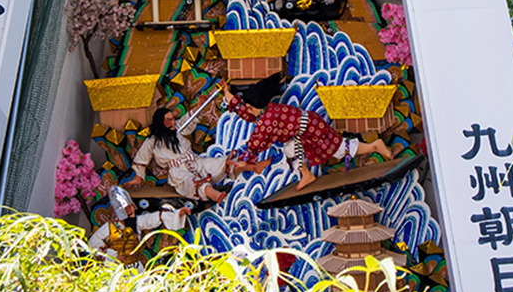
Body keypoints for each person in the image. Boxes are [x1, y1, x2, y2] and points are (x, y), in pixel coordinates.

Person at [224, 75, 393, 190]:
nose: (245, 109)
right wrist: (226, 92)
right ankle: (306, 174)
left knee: (337, 149)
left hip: (310, 130)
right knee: (295, 149)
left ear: (254, 107)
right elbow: (244, 111)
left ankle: (374, 146)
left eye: (248, 107)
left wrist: (245, 159)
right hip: (306, 129)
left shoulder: (268, 119)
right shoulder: (264, 111)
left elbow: (257, 141)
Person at [128, 106, 268, 203]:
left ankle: (251, 167)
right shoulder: (152, 141)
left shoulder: (178, 130)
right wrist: (138, 177)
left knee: (219, 163)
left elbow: (188, 120)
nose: (172, 122)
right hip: (179, 172)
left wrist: (199, 106)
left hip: (195, 161)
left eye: (172, 119)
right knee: (193, 181)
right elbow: (142, 159)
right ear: (161, 122)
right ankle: (215, 195)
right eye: (168, 120)